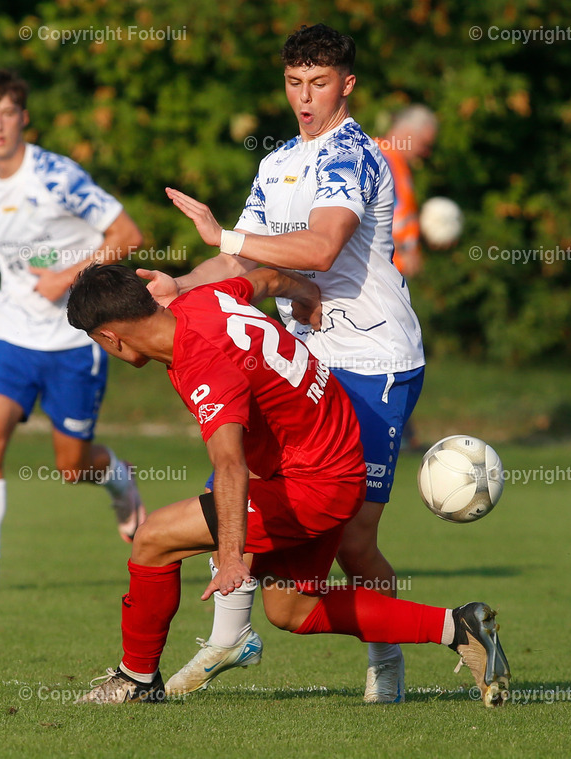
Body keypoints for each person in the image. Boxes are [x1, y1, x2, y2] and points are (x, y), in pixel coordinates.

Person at [65, 263, 510, 707]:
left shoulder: (202, 361)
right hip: (334, 456)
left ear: (110, 338)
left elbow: (230, 465)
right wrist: (308, 296)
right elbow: (266, 279)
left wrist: (234, 557)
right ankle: (458, 627)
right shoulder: (203, 300)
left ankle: (136, 680)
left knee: (154, 538)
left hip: (315, 484)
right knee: (291, 609)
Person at [147, 23, 424, 702]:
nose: (305, 96)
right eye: (295, 82)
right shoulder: (276, 164)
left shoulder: (357, 154)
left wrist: (229, 234)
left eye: (319, 83)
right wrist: (179, 287)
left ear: (347, 85)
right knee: (250, 487)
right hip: (303, 360)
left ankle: (387, 653)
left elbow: (322, 248)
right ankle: (229, 634)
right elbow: (243, 259)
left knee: (356, 541)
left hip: (373, 362)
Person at [0, 70, 147, 593]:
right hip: (11, 334)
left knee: (71, 466)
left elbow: (127, 233)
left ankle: (119, 480)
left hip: (72, 340)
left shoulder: (59, 177)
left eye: (6, 112)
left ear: (23, 118)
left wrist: (66, 276)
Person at [379, 104, 439, 278]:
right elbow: (367, 216)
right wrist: (404, 251)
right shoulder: (381, 159)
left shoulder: (398, 164)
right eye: (425, 144)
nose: (426, 152)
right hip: (379, 273)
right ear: (407, 133)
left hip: (391, 273)